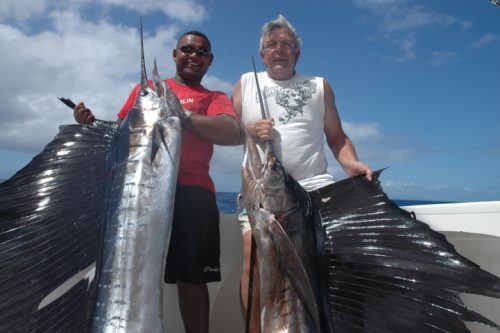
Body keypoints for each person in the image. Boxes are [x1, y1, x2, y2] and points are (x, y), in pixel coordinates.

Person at [74, 31, 242, 333]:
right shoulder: (149, 88)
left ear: (210, 60)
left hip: (193, 194)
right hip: (138, 193)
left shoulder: (215, 98)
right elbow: (124, 133)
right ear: (175, 54)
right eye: (187, 49)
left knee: (192, 278)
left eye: (202, 52)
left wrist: (183, 116)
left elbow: (233, 132)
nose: (194, 55)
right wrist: (90, 125)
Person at [232, 15, 373, 332]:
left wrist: (352, 164)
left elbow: (336, 138)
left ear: (297, 53)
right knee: (252, 259)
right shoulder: (244, 84)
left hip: (314, 191)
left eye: (286, 45)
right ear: (263, 52)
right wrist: (249, 130)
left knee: (330, 264)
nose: (278, 50)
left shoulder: (319, 86)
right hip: (263, 194)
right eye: (271, 45)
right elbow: (230, 131)